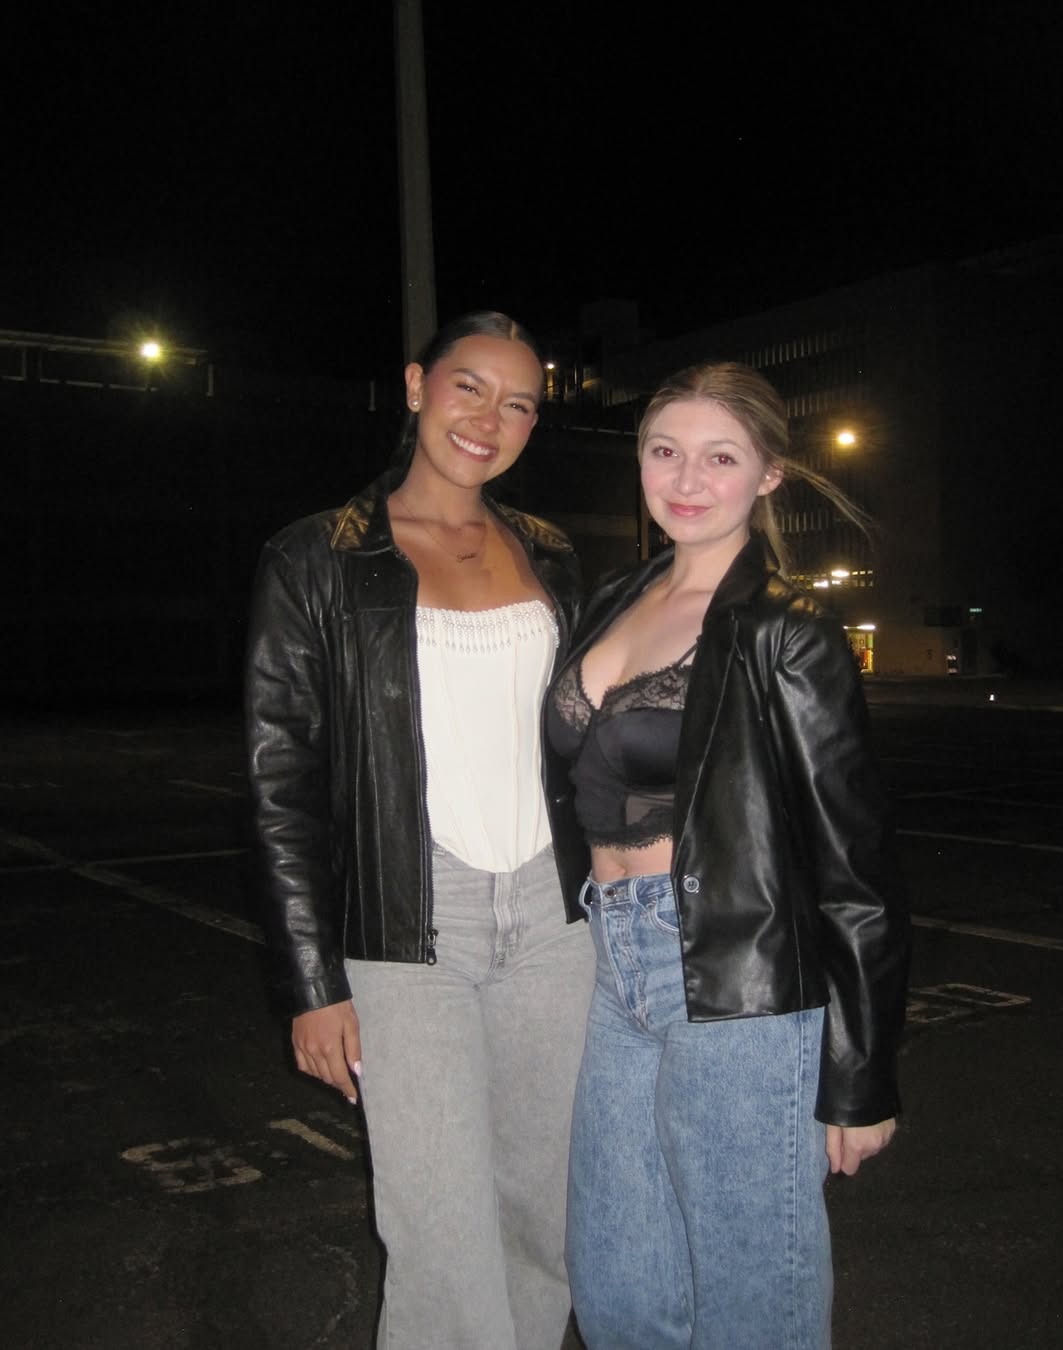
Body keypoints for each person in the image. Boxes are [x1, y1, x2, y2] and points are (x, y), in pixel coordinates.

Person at [245, 311, 595, 1350]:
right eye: (468, 387)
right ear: (415, 387)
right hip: (407, 923)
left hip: (556, 921)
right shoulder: (316, 556)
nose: (490, 418)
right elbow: (279, 780)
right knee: (439, 1229)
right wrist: (313, 984)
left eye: (519, 403)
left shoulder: (551, 553)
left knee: (547, 1219)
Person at [544, 362, 910, 1350]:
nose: (687, 479)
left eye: (720, 457)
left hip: (737, 970)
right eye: (665, 451)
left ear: (769, 474)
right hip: (611, 961)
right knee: (618, 1283)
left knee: (753, 1292)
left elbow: (855, 861)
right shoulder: (616, 596)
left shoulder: (787, 627)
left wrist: (862, 1076)